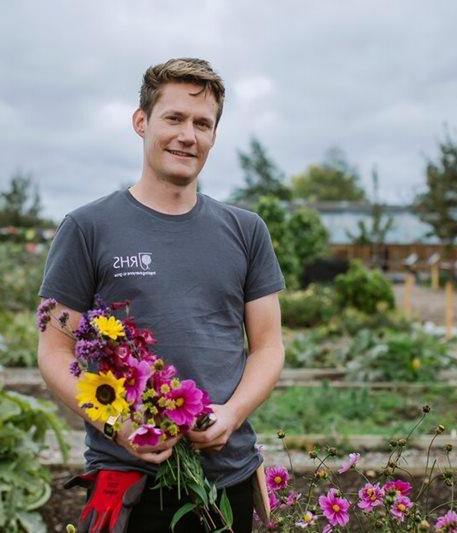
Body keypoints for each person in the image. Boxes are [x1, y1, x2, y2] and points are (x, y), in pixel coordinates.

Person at [37, 57, 285, 532]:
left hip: (225, 481)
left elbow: (269, 346)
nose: (188, 135)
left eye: (202, 123)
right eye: (174, 118)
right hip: (127, 486)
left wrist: (231, 414)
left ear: (214, 135)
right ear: (141, 122)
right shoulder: (87, 228)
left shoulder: (247, 230)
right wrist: (122, 427)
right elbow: (54, 350)